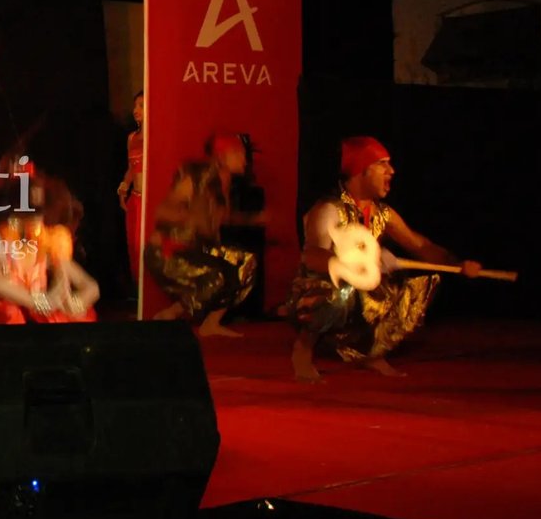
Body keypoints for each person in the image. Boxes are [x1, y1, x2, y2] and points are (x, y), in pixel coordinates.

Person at [287, 137, 482, 382]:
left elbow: (420, 245)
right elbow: (312, 255)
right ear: (363, 170)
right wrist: (346, 266)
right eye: (382, 164)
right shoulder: (328, 209)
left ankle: (372, 351)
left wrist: (457, 264)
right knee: (341, 291)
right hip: (316, 293)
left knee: (408, 287)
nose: (391, 171)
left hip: (360, 289)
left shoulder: (382, 214)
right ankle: (303, 349)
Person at [144, 132, 262, 336]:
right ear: (223, 156)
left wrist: (254, 219)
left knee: (246, 262)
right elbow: (163, 210)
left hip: (198, 248)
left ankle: (211, 323)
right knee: (216, 277)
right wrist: (189, 218)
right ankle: (169, 315)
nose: (245, 160)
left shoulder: (223, 182)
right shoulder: (197, 176)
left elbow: (219, 219)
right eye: (239, 154)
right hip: (169, 250)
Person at [0, 162, 100, 325]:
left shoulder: (46, 243)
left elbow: (90, 286)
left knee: (71, 317)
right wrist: (40, 302)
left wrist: (75, 303)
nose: (35, 220)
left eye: (38, 213)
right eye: (27, 213)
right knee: (10, 314)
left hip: (32, 318)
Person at [117, 92, 145, 292]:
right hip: (135, 199)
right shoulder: (132, 138)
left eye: (142, 106)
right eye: (135, 105)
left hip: (150, 200)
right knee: (133, 247)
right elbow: (132, 168)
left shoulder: (155, 137)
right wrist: (123, 187)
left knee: (145, 246)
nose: (136, 110)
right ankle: (139, 292)